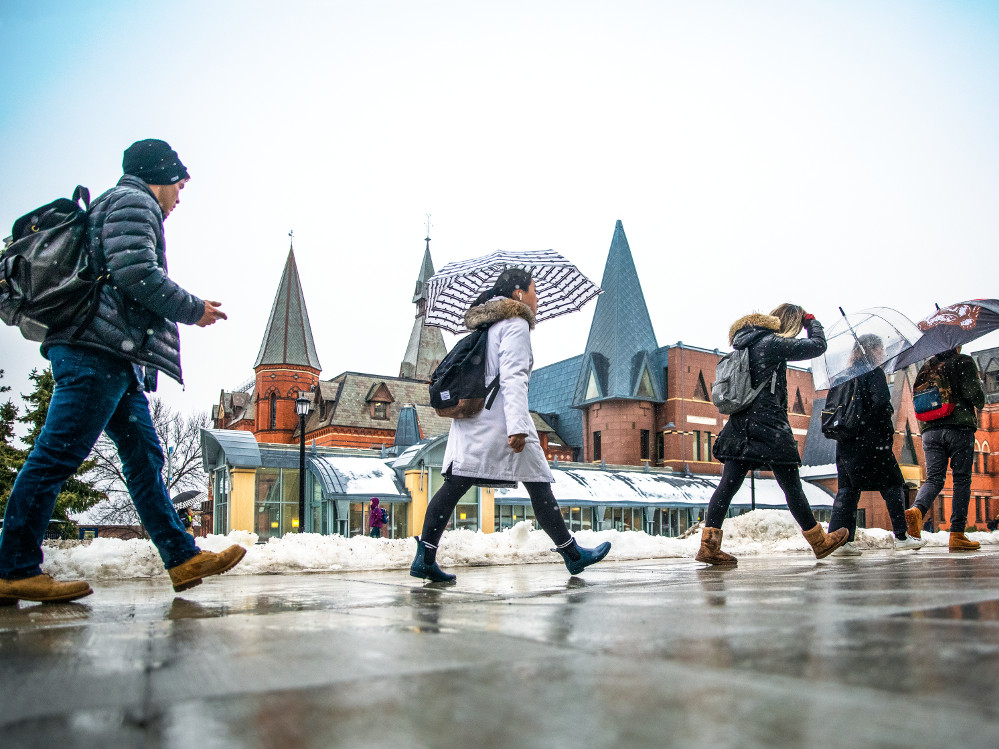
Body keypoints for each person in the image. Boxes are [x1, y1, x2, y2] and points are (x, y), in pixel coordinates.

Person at [0, 139, 245, 605]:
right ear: (164, 177)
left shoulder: (118, 203)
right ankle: (12, 568)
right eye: (179, 185)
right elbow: (137, 273)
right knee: (57, 455)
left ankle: (181, 556)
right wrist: (194, 310)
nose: (179, 197)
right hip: (98, 352)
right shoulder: (135, 201)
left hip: (113, 355)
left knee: (144, 460)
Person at [410, 268, 611, 583]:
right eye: (534, 290)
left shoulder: (489, 327)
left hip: (475, 423)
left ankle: (425, 555)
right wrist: (518, 427)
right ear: (518, 293)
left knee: (458, 486)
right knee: (536, 484)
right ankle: (572, 554)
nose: (537, 297)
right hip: (501, 423)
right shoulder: (515, 325)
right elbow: (515, 379)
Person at [695, 304, 848, 565]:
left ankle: (709, 546)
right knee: (791, 486)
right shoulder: (770, 342)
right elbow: (817, 346)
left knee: (728, 485)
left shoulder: (745, 343)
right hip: (768, 426)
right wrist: (811, 321)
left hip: (740, 425)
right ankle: (819, 542)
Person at [824, 335, 925, 555]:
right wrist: (886, 433)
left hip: (845, 441)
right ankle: (901, 536)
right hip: (871, 440)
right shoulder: (873, 372)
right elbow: (881, 406)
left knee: (847, 490)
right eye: (880, 349)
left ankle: (841, 540)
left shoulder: (842, 376)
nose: (882, 353)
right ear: (872, 350)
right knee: (893, 484)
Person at [904, 346, 986, 551]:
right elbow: (977, 398)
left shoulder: (926, 366)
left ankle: (917, 510)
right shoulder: (963, 362)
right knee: (961, 479)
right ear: (956, 343)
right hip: (958, 427)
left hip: (930, 430)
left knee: (934, 479)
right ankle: (957, 534)